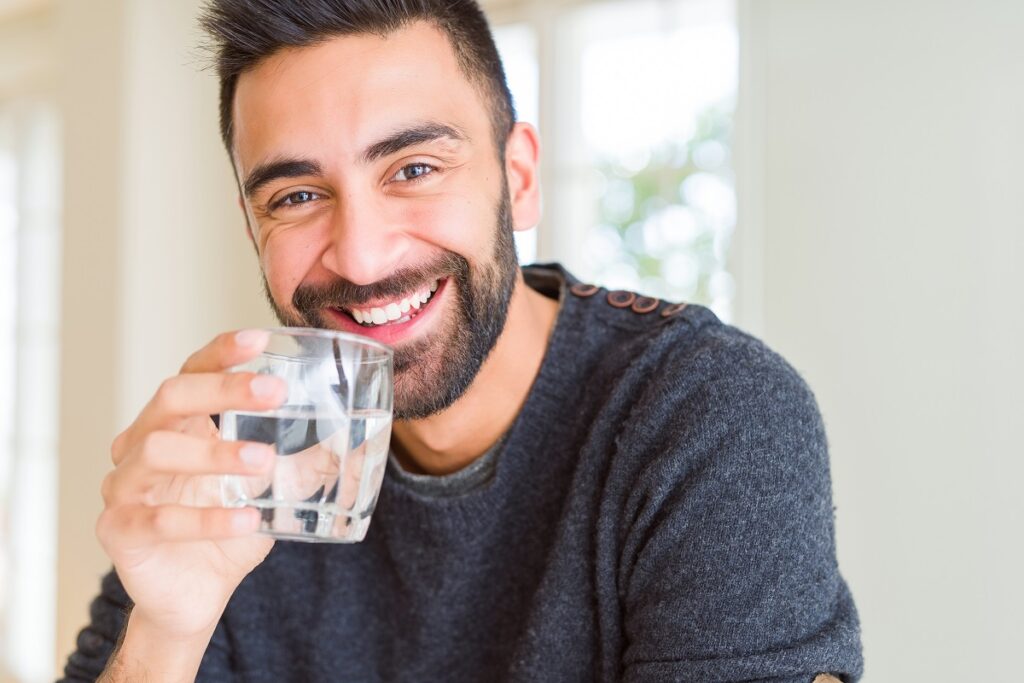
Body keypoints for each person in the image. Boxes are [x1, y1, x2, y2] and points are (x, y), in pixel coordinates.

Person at [61, 1, 863, 681]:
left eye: (413, 168)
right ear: (252, 226)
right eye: (298, 195)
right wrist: (165, 633)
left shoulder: (703, 415)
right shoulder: (239, 464)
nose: (363, 254)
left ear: (517, 179)